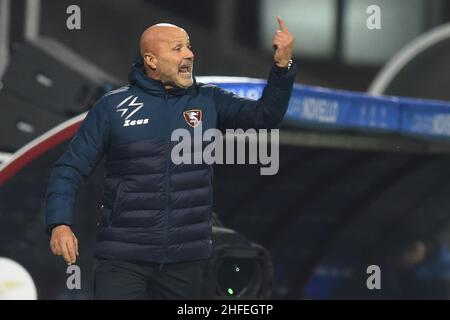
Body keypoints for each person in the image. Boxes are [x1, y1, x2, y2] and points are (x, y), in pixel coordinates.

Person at [46, 17, 296, 299]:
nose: (189, 54)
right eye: (177, 49)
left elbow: (265, 118)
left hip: (185, 263)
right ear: (151, 60)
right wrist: (59, 223)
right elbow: (69, 169)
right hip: (122, 260)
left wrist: (282, 67)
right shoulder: (112, 108)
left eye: (188, 47)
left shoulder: (208, 100)